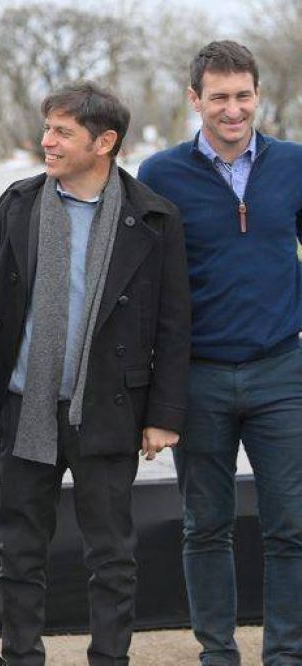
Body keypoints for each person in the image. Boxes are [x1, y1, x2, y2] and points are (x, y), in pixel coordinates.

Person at [0, 81, 191, 665]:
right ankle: (20, 657)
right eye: (48, 128)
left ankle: (110, 660)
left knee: (112, 556)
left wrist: (164, 416)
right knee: (18, 551)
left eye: (62, 132)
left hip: (109, 411)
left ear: (105, 142)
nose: (47, 141)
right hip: (26, 406)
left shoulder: (155, 218)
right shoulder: (18, 203)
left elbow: (173, 325)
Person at [138, 41, 302, 665]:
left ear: (257, 95)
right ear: (195, 98)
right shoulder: (160, 175)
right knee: (205, 527)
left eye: (242, 96)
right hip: (198, 378)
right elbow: (147, 283)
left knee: (292, 527)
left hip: (281, 372)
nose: (231, 110)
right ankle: (218, 654)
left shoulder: (293, 165)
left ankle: (286, 653)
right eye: (218, 97)